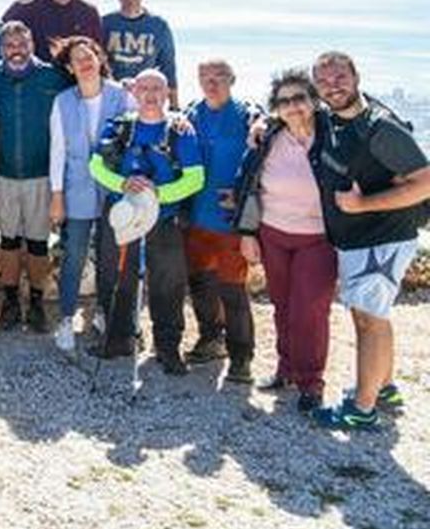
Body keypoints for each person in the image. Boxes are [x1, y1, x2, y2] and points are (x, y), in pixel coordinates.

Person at [307, 51, 430, 430]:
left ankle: (361, 408)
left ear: (356, 76)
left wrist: (363, 205)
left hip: (381, 239)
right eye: (324, 81)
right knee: (374, 314)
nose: (333, 86)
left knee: (368, 321)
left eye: (340, 77)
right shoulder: (333, 118)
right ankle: (385, 386)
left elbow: (425, 182)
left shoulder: (380, 128)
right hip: (360, 240)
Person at [88, 69, 204, 372]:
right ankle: (119, 339)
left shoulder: (180, 130)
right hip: (123, 216)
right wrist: (121, 184)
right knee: (115, 277)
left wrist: (158, 194)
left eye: (157, 89)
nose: (151, 94)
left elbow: (195, 178)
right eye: (145, 88)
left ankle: (167, 348)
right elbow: (96, 165)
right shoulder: (119, 127)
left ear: (167, 94)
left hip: (164, 218)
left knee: (168, 284)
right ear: (135, 92)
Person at [232, 70, 333, 412]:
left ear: (313, 100)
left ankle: (311, 382)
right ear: (276, 108)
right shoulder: (269, 136)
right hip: (273, 233)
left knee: (309, 312)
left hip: (318, 238)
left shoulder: (331, 135)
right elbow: (247, 185)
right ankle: (286, 369)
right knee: (283, 306)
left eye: (299, 98)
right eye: (284, 101)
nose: (293, 107)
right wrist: (247, 233)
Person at [0, 22, 71, 331]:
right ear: (1, 48)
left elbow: (85, 91)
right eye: (9, 45)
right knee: (7, 241)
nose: (16, 50)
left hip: (41, 175)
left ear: (32, 44)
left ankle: (35, 303)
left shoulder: (53, 77)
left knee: (37, 244)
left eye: (21, 44)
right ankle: (9, 302)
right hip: (4, 174)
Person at [48, 38, 131, 350]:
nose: (84, 63)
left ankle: (104, 313)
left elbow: (141, 132)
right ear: (69, 68)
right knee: (74, 256)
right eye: (77, 59)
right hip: (76, 188)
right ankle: (66, 319)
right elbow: (58, 152)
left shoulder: (122, 96)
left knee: (110, 258)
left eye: (89, 56)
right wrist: (56, 195)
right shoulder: (63, 101)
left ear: (99, 59)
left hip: (115, 190)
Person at [182, 59, 260, 380]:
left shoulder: (246, 115)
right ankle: (211, 339)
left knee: (232, 289)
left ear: (232, 79)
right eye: (204, 77)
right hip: (196, 216)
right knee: (201, 284)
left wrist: (243, 197)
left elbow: (260, 155)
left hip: (230, 220)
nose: (211, 83)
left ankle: (242, 357)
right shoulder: (190, 114)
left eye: (218, 77)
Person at [3, 0, 102, 64]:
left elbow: (98, 55)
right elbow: (3, 49)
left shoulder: (88, 13)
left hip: (76, 78)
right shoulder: (22, 10)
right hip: (36, 78)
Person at [102, 0, 177, 103]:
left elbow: (168, 67)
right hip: (110, 96)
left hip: (145, 98)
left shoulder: (158, 26)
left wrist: (174, 105)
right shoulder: (105, 23)